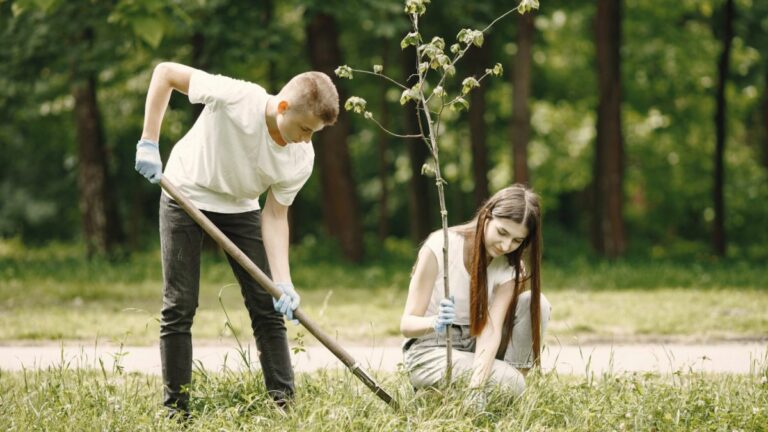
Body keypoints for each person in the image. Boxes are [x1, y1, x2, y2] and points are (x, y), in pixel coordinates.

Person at [134, 62, 339, 415]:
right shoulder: (237, 97)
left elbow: (275, 216)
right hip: (185, 192)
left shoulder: (301, 156)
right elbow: (165, 73)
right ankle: (176, 411)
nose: (307, 138)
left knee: (267, 306)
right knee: (180, 305)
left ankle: (283, 405)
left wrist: (283, 282)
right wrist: (149, 142)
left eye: (314, 133)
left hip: (241, 206)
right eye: (305, 128)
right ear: (283, 107)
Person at [400, 184, 552, 405]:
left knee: (536, 303)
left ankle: (502, 394)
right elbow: (406, 324)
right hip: (431, 349)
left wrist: (476, 386)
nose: (506, 245)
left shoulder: (510, 266)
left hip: (476, 344)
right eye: (502, 232)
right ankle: (501, 389)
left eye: (517, 240)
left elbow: (490, 329)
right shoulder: (440, 246)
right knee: (510, 383)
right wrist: (435, 322)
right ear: (487, 215)